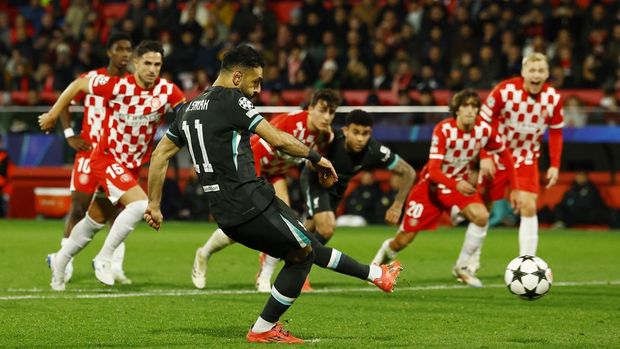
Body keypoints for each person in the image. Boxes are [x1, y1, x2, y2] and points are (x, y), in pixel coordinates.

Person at [144, 45, 402, 344]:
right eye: (255, 82)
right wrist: (317, 158)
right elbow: (276, 138)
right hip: (250, 197)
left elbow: (160, 155)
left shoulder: (188, 109)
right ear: (237, 77)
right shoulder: (233, 99)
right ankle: (264, 328)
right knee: (303, 254)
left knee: (304, 246)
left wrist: (154, 203)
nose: (258, 89)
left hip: (224, 210)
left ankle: (376, 275)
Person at [38, 40, 186, 291]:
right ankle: (104, 259)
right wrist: (53, 114)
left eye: (157, 64)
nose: (152, 69)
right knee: (140, 204)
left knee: (94, 221)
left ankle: (59, 260)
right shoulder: (117, 86)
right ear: (136, 63)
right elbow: (76, 85)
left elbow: (187, 114)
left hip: (131, 166)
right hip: (106, 158)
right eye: (147, 63)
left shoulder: (167, 91)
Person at [191, 88, 340, 292]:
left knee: (285, 226)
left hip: (277, 173)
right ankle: (204, 253)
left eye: (332, 112)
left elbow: (310, 164)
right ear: (311, 108)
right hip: (251, 165)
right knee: (242, 224)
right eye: (323, 110)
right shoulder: (291, 123)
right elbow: (257, 149)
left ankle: (265, 276)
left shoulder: (326, 137)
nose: (327, 117)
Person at [372, 89, 519, 287]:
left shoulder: (484, 130)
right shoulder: (444, 130)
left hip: (459, 189)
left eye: (474, 106)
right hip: (431, 189)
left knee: (482, 216)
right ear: (456, 110)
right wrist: (456, 183)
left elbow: (506, 155)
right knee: (403, 240)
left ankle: (463, 266)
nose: (470, 110)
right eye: (465, 106)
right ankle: (380, 259)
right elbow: (433, 171)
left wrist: (516, 187)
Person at [51, 32, 133, 285]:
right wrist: (69, 134)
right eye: (119, 49)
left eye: (128, 49)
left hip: (116, 154)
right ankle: (64, 265)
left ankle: (115, 265)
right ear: (109, 52)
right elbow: (64, 100)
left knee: (116, 212)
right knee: (78, 208)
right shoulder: (92, 79)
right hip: (89, 151)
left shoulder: (132, 84)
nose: (125, 54)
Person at [476, 52, 564, 264]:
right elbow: (483, 121)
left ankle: (527, 263)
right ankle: (470, 261)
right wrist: (485, 155)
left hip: (525, 157)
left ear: (547, 74)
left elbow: (556, 132)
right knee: (482, 209)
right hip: (498, 154)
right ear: (523, 72)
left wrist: (554, 165)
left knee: (528, 205)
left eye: (541, 71)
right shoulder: (505, 91)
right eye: (532, 70)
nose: (536, 75)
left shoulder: (553, 98)